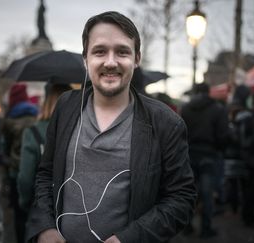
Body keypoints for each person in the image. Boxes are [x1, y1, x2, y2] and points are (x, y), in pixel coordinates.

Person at [25, 11, 196, 243]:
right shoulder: (66, 106)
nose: (111, 62)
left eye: (122, 52)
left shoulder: (165, 122)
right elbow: (45, 175)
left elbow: (181, 198)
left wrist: (129, 238)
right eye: (100, 51)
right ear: (85, 59)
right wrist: (44, 226)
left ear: (137, 58)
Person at [180, 82, 229, 238]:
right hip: (209, 155)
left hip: (189, 154)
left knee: (188, 192)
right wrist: (220, 150)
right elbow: (223, 135)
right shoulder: (218, 109)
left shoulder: (186, 108)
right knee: (208, 194)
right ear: (209, 92)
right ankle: (205, 229)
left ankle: (187, 226)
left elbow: (179, 133)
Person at [17, 83, 71, 212]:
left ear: (46, 102)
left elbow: (25, 177)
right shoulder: (80, 129)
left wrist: (24, 202)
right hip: (73, 208)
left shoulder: (33, 132)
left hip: (42, 206)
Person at [1, 83, 38, 243]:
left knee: (19, 215)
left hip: (16, 172)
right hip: (35, 170)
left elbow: (5, 148)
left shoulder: (9, 120)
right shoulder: (36, 116)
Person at [224, 85, 254, 227]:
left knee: (235, 185)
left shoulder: (231, 111)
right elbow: (248, 141)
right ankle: (247, 216)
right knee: (248, 188)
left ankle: (238, 211)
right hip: (247, 158)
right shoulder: (249, 115)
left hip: (233, 156)